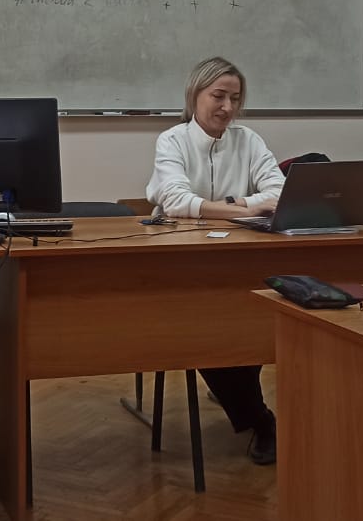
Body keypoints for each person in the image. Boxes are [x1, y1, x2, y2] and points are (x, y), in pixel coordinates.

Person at [146, 56, 286, 464]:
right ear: (195, 95)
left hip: (237, 258)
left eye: (235, 99)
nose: (227, 107)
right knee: (207, 323)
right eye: (218, 96)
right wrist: (248, 207)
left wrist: (227, 203)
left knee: (257, 313)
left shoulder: (248, 140)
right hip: (179, 262)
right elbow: (175, 201)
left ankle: (238, 393)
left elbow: (279, 193)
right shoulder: (172, 140)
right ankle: (260, 419)